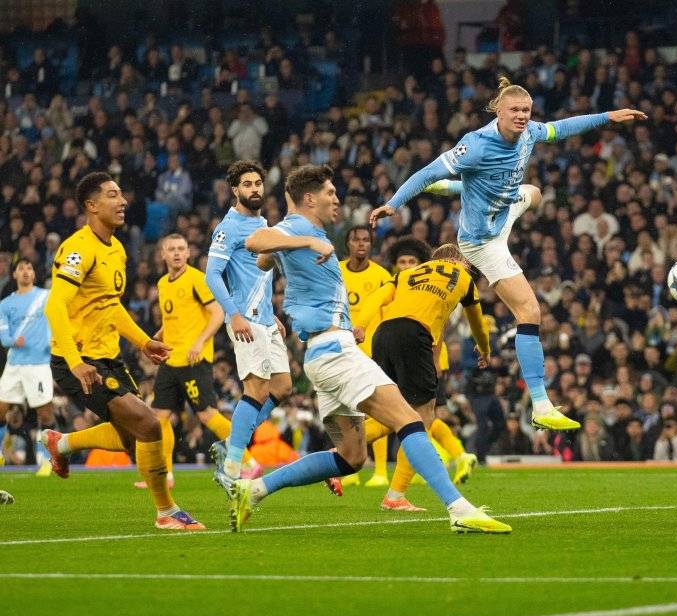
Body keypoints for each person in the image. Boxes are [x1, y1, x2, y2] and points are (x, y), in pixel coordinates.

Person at [238, 163, 509, 534]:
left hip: (321, 354)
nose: (337, 199)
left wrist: (286, 256)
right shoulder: (300, 228)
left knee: (351, 457)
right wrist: (305, 244)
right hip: (335, 349)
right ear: (309, 198)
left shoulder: (302, 231)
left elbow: (263, 259)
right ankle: (458, 507)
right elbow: (255, 242)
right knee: (411, 420)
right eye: (330, 193)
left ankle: (254, 489)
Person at [369, 76, 646, 432]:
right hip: (483, 240)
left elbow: (561, 128)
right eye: (514, 110)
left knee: (535, 192)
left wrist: (608, 116)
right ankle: (541, 405)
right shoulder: (476, 145)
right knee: (530, 311)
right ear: (498, 112)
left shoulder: (529, 132)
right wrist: (393, 204)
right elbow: (425, 172)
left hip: (506, 207)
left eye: (526, 110)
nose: (521, 116)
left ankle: (456, 187)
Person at [38, 171, 204, 530]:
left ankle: (61, 444)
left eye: (121, 193)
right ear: (91, 205)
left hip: (109, 357)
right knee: (149, 423)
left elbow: (112, 307)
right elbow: (55, 306)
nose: (123, 200)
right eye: (112, 195)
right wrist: (75, 362)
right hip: (79, 360)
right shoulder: (78, 249)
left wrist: (144, 342)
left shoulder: (116, 249)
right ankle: (166, 511)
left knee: (131, 435)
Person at [343, 240, 491, 512]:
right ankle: (395, 495)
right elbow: (478, 323)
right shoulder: (463, 277)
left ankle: (338, 456)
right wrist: (485, 349)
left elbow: (378, 297)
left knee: (392, 415)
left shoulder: (408, 274)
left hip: (383, 335)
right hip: (414, 335)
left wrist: (360, 324)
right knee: (422, 418)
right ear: (458, 261)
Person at [205, 161, 292, 492]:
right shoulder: (228, 228)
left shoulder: (262, 223)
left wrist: (273, 314)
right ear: (235, 190)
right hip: (245, 319)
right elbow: (212, 275)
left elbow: (260, 275)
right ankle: (231, 467)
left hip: (265, 318)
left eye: (258, 183)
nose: (255, 189)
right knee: (255, 389)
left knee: (282, 387)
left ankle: (232, 442)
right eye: (247, 184)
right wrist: (234, 314)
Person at [132, 233, 237, 489]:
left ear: (188, 253)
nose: (177, 253)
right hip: (171, 361)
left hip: (194, 360)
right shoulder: (162, 284)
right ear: (163, 254)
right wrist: (155, 338)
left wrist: (199, 342)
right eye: (172, 249)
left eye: (181, 248)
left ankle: (245, 459)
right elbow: (173, 320)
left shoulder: (197, 279)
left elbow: (217, 313)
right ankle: (165, 475)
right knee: (160, 417)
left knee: (207, 415)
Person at [336, 224, 392, 489]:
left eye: (366, 240)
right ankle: (350, 468)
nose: (361, 244)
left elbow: (390, 312)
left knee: (377, 409)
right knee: (346, 409)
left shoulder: (381, 275)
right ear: (347, 244)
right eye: (356, 239)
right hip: (342, 350)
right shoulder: (336, 271)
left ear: (371, 244)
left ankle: (380, 471)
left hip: (374, 351)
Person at [0, 260, 55, 474]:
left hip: (39, 364)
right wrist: (14, 340)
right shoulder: (5, 304)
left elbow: (61, 316)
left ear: (34, 274)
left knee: (45, 414)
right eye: (21, 268)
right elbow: (3, 337)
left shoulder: (46, 297)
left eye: (29, 268)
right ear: (14, 274)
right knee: (0, 409)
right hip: (14, 365)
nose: (25, 271)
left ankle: (47, 460)